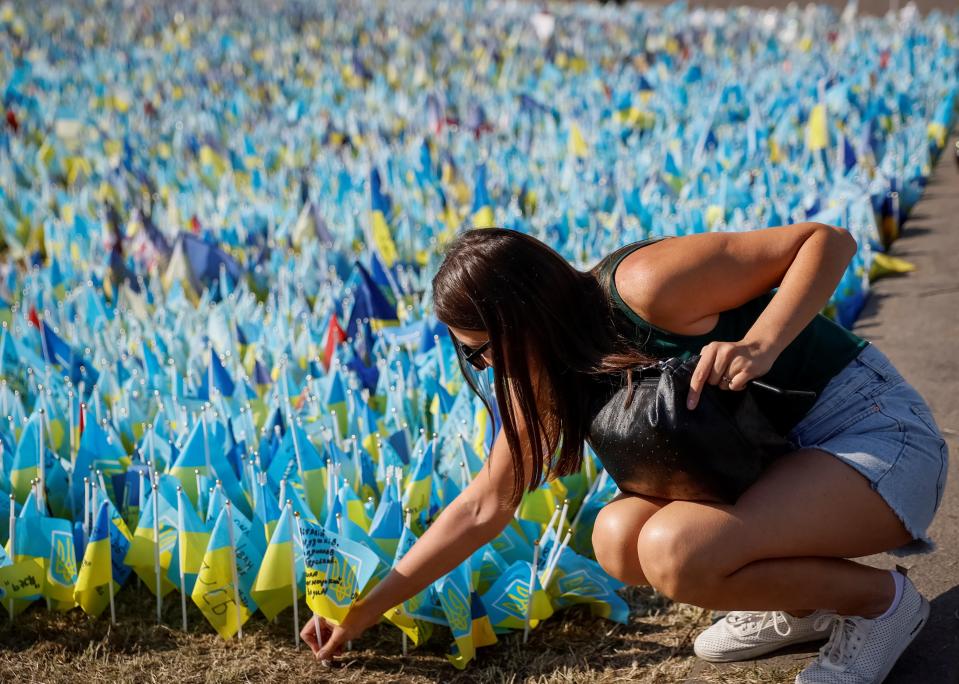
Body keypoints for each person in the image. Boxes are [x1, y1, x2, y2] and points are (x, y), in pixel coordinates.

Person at [303, 225, 949, 683]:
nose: (480, 365)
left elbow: (826, 241)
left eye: (481, 347)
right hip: (779, 458)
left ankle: (880, 605)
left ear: (524, 315)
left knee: (676, 548)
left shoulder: (644, 285)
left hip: (870, 436)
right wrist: (361, 612)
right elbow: (482, 508)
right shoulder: (546, 372)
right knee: (618, 536)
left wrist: (760, 344)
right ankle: (804, 607)